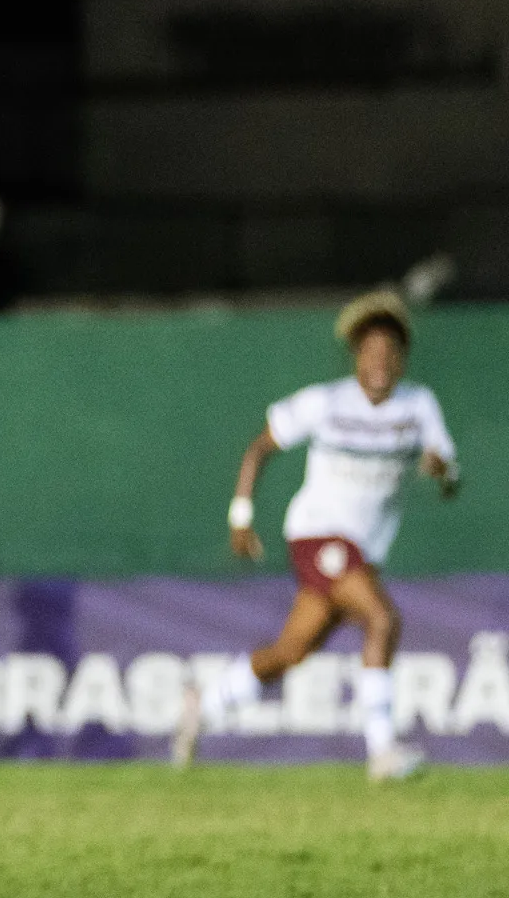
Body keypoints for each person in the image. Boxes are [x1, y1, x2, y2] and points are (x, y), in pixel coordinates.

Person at [174, 290, 459, 780]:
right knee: (382, 619)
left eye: (389, 353)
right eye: (370, 352)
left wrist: (441, 471)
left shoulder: (419, 406)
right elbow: (259, 447)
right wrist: (240, 516)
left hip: (361, 552)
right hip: (317, 536)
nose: (380, 363)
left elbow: (450, 477)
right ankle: (382, 750)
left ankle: (206, 706)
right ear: (356, 357)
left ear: (403, 359)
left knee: (291, 651)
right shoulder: (325, 402)